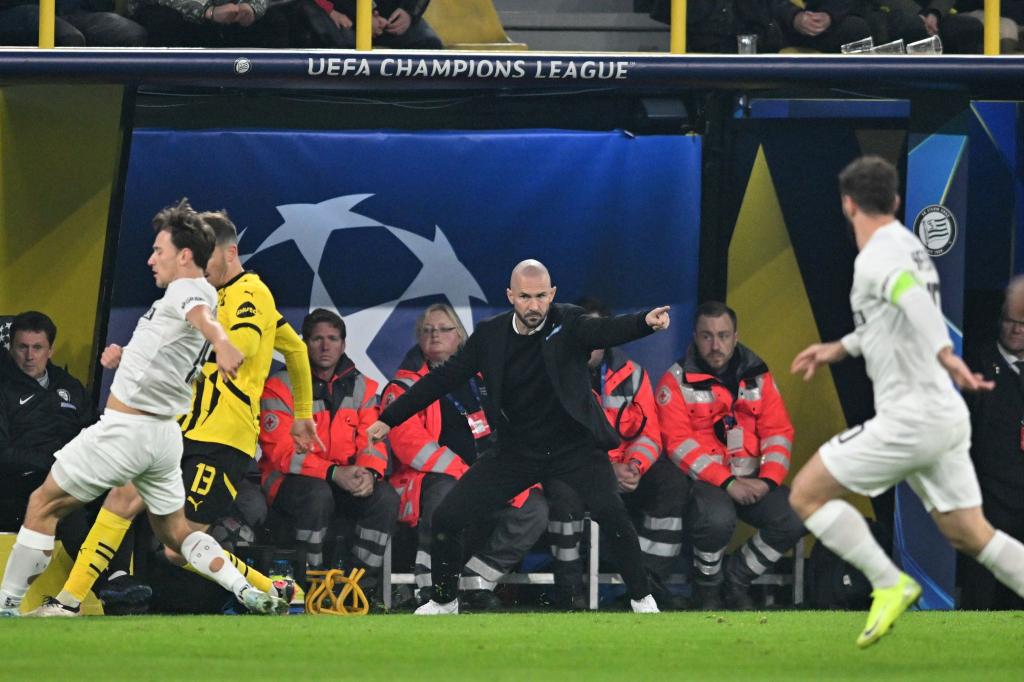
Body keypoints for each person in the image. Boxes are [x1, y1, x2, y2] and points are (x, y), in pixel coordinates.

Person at [0, 199, 286, 617]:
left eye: (159, 251)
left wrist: (223, 342)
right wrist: (125, 355)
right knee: (175, 533)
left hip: (126, 431)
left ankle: (6, 608)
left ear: (184, 255)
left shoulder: (188, 290)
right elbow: (173, 341)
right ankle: (248, 589)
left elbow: (203, 317)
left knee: (43, 503)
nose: (152, 259)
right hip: (164, 438)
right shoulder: (192, 293)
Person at [789, 155, 1024, 648]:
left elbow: (908, 298)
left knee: (806, 494)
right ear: (896, 202)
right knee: (971, 534)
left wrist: (944, 351)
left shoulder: (878, 257)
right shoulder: (909, 246)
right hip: (944, 417)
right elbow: (889, 320)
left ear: (847, 204)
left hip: (911, 418)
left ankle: (888, 581)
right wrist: (841, 347)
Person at [368, 259, 671, 615]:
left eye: (541, 296)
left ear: (552, 294)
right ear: (511, 296)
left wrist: (643, 323)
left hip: (574, 447)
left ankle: (642, 599)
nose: (534, 305)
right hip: (516, 451)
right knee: (448, 517)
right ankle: (444, 600)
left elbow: (605, 330)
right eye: (525, 297)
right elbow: (441, 379)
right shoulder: (490, 336)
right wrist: (389, 418)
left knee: (612, 513)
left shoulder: (570, 322)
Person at [383, 303, 547, 611]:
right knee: (444, 492)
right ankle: (433, 588)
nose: (435, 336)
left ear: (460, 335)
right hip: (431, 481)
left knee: (534, 506)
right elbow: (409, 444)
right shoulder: (404, 385)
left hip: (487, 474)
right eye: (427, 330)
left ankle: (477, 583)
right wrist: (463, 471)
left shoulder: (484, 378)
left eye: (443, 329)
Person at [657, 301, 804, 610]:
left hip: (753, 479)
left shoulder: (759, 376)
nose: (716, 345)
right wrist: (727, 482)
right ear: (695, 337)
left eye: (723, 336)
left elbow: (778, 432)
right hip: (706, 482)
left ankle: (736, 580)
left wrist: (768, 481)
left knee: (797, 513)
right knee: (717, 519)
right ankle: (707, 588)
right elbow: (678, 445)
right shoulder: (675, 380)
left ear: (736, 337)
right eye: (707, 336)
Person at [546, 299, 684, 610]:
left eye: (596, 334)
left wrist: (634, 465)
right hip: (575, 471)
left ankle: (648, 580)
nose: (589, 342)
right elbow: (558, 440)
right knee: (563, 493)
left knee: (671, 482)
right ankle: (569, 589)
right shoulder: (553, 373)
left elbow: (648, 434)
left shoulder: (633, 375)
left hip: (624, 470)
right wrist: (610, 470)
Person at [259, 308, 398, 604]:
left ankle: (359, 585)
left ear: (344, 345)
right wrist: (332, 473)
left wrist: (369, 474)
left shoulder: (363, 386)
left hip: (346, 478)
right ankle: (311, 583)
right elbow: (282, 453)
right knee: (318, 493)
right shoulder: (280, 386)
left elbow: (373, 439)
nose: (325, 346)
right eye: (317, 339)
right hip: (290, 482)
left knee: (385, 497)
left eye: (333, 339)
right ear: (304, 343)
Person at [958, 275, 1024, 609]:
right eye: (1011, 321)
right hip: (987, 499)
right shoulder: (976, 366)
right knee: (981, 592)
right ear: (1000, 320)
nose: (1017, 330)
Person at [295, 0, 442, 49]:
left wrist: (409, 11)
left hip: (392, 17)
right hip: (341, 16)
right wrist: (363, 16)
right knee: (341, 54)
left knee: (429, 45)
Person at [0, 0, 146, 47]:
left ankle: (121, 113)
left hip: (72, 11)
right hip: (15, 10)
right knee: (69, 37)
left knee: (130, 34)